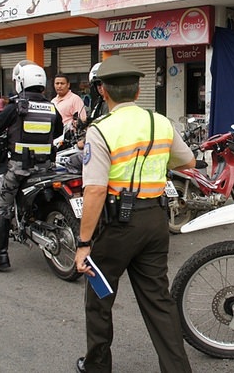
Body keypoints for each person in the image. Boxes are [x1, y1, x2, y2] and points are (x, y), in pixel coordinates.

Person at [73, 55, 195, 373]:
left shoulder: (101, 130)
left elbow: (95, 190)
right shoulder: (160, 122)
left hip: (115, 228)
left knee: (100, 297)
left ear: (103, 91)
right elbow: (188, 162)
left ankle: (97, 366)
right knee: (159, 301)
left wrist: (84, 243)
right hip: (155, 221)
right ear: (138, 91)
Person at [0, 60, 63, 272]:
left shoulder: (16, 107)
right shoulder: (51, 107)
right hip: (46, 167)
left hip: (20, 168)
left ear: (21, 82)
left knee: (2, 206)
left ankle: (0, 257)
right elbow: (57, 133)